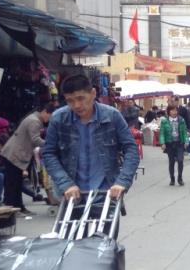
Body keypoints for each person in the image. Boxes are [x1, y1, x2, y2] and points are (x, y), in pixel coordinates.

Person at [42, 74, 140, 202]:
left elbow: (131, 149)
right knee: (69, 223)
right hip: (71, 195)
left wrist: (122, 182)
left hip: (107, 193)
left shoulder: (112, 116)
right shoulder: (58, 119)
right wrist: (66, 184)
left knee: (106, 222)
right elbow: (49, 153)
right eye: (70, 100)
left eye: (81, 98)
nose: (76, 105)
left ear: (93, 93)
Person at [1, 103, 57, 213]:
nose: (49, 119)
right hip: (14, 154)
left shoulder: (35, 119)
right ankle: (11, 209)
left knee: (16, 183)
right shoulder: (34, 121)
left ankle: (18, 207)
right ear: (45, 112)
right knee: (13, 184)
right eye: (50, 116)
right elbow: (35, 139)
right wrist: (51, 144)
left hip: (16, 154)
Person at [159, 104, 189, 186]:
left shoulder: (181, 120)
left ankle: (180, 178)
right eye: (172, 110)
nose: (174, 112)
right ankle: (172, 178)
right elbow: (161, 133)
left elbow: (185, 132)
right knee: (171, 161)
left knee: (180, 160)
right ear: (168, 112)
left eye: (176, 110)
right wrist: (162, 143)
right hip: (170, 144)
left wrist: (186, 141)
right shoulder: (164, 121)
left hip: (179, 143)